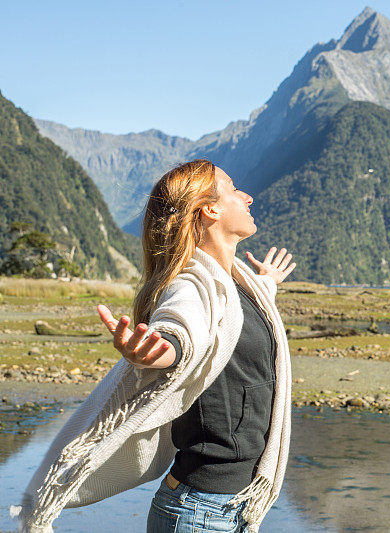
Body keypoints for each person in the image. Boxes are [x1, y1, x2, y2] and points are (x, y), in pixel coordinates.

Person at [13, 159, 295, 533]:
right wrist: (159, 351)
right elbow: (182, 331)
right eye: (233, 188)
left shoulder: (239, 285)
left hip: (235, 507)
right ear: (210, 209)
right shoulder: (191, 284)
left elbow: (232, 314)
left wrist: (267, 281)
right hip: (200, 514)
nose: (248, 196)